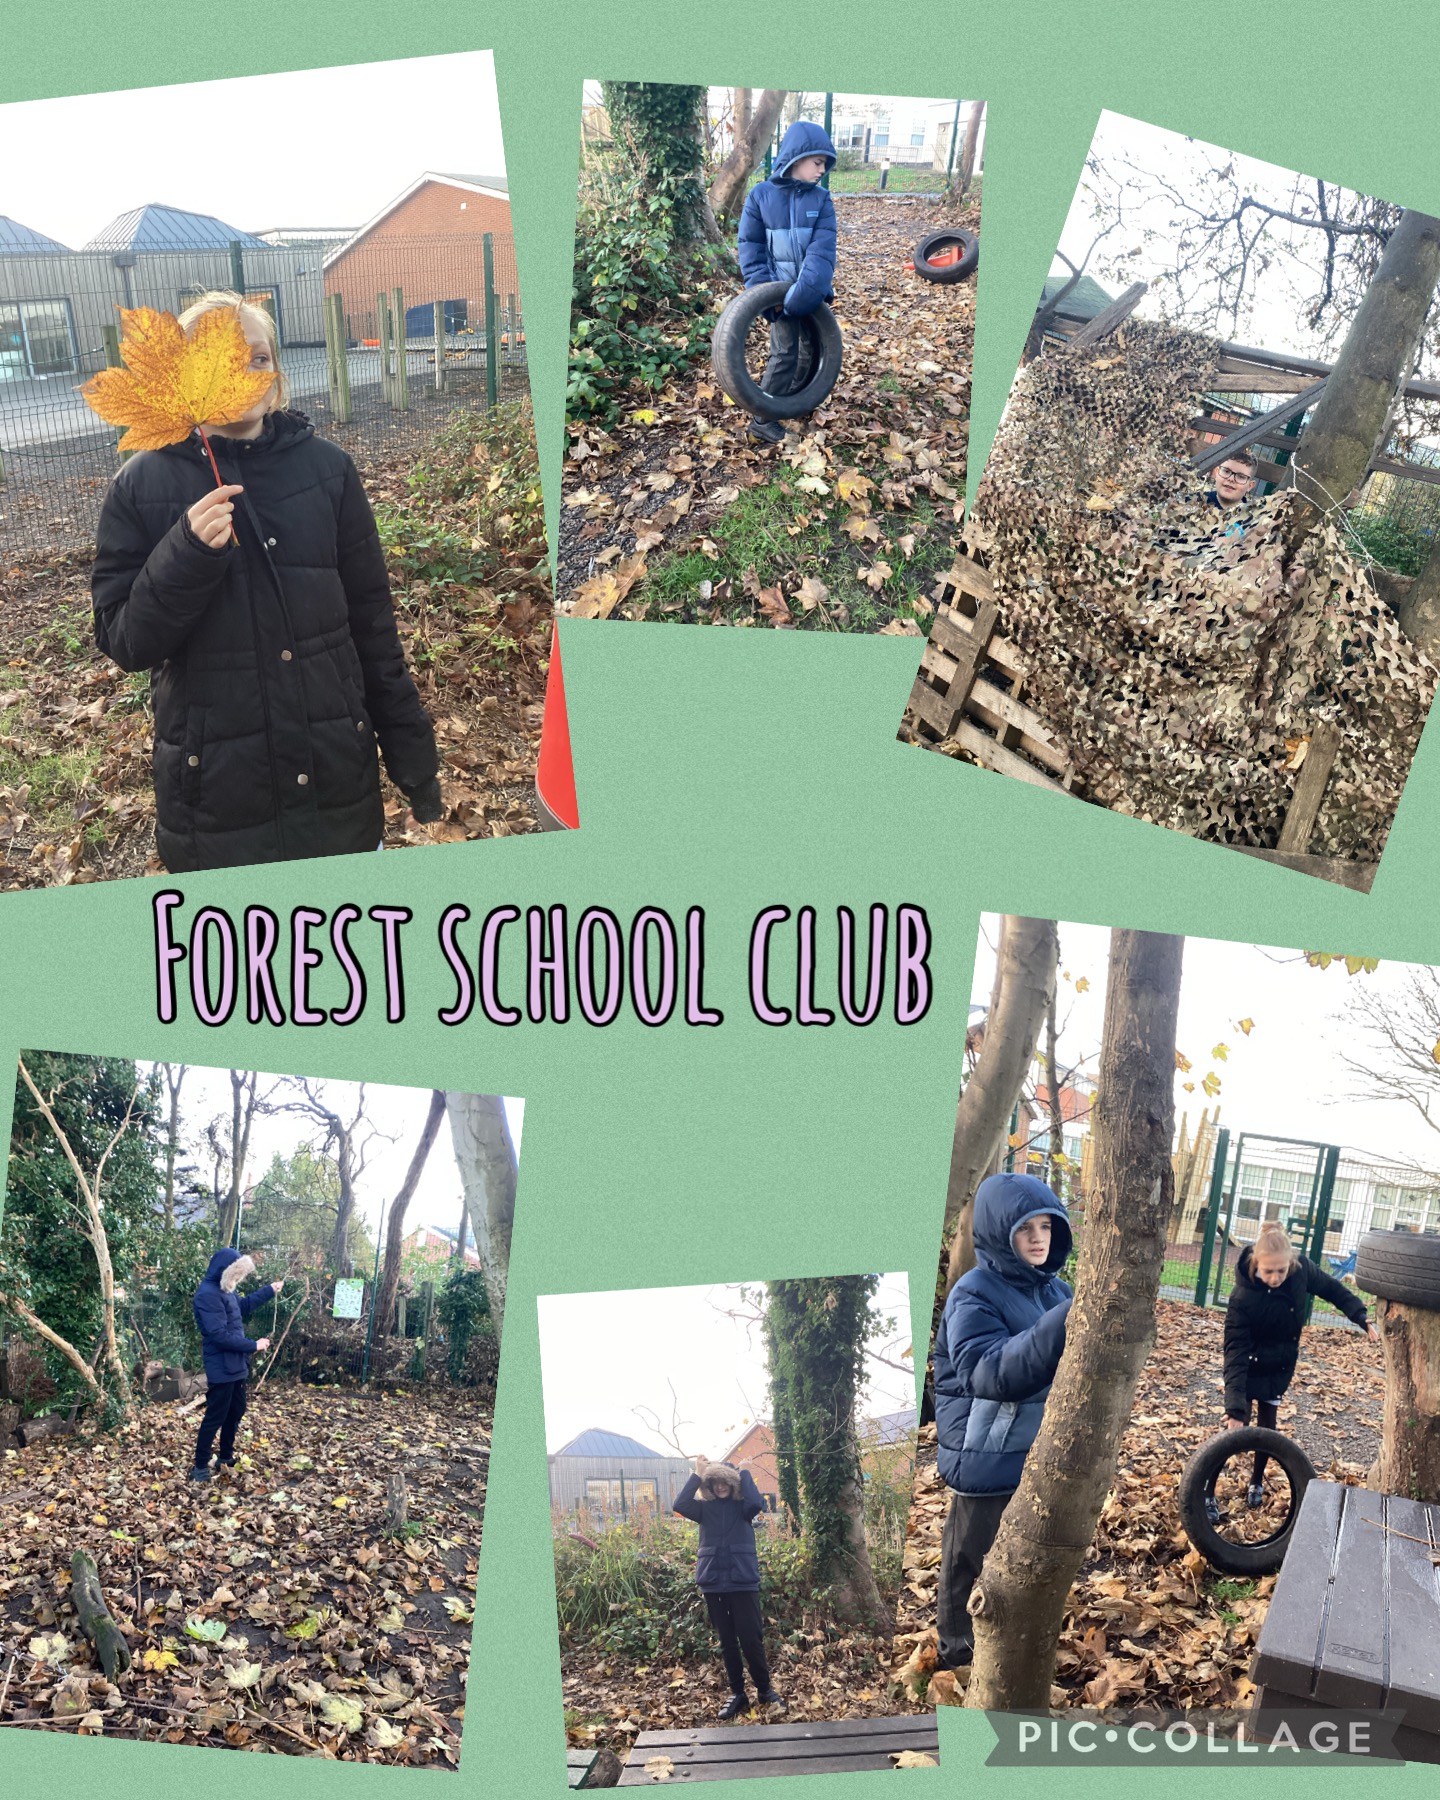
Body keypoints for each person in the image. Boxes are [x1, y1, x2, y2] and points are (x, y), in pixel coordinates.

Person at [91, 291, 442, 872]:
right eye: (226, 359)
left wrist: (414, 763)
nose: (248, 372)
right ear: (186, 374)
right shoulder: (140, 486)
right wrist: (185, 554)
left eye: (258, 357)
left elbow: (373, 628)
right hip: (217, 804)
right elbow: (126, 641)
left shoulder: (328, 471)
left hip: (336, 784)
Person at [932, 1171, 1073, 1670]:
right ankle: (956, 1654)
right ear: (997, 1233)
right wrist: (1058, 1326)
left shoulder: (1056, 1292)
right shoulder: (974, 1292)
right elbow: (985, 1371)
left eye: (1046, 1226)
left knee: (1027, 1554)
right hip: (984, 1447)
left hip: (1035, 1447)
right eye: (1024, 1228)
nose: (1038, 1238)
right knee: (969, 1557)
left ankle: (1011, 1644)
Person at [1218, 1221, 1377, 1507]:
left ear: (1290, 1264)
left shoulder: (1301, 1271)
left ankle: (1256, 1482)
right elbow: (1235, 1350)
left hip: (1279, 1363)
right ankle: (1207, 1488)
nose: (1276, 1277)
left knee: (1267, 1428)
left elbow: (1332, 1289)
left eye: (1281, 1270)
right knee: (1234, 1427)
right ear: (1256, 1264)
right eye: (1269, 1271)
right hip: (1247, 1362)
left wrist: (1360, 1316)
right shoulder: (1242, 1297)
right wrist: (1234, 1405)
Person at [736, 120, 838, 446]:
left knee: (811, 351)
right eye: (818, 162)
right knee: (784, 355)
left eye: (825, 164)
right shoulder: (761, 196)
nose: (822, 169)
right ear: (797, 157)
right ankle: (763, 420)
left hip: (810, 294)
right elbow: (751, 250)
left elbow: (822, 252)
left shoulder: (821, 200)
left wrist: (805, 293)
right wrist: (765, 294)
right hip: (779, 297)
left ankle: (796, 400)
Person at [672, 1453, 786, 1719]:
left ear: (733, 1485)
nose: (720, 1487)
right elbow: (680, 1503)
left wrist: (744, 1472)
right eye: (714, 1483)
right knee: (727, 1642)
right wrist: (697, 1474)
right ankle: (738, 1694)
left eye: (725, 1483)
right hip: (714, 1583)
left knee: (751, 1639)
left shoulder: (744, 1508)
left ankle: (765, 1691)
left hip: (742, 1582)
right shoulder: (703, 1510)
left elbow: (757, 1502)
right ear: (709, 1487)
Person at [189, 1247, 283, 1483]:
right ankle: (200, 1466)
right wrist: (254, 1345)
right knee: (215, 1416)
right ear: (225, 1270)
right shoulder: (207, 1295)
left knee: (236, 1411)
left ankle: (226, 1456)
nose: (238, 1280)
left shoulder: (225, 1290)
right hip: (221, 1366)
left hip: (236, 1365)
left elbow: (243, 1306)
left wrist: (269, 1290)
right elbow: (219, 1335)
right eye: (236, 1274)